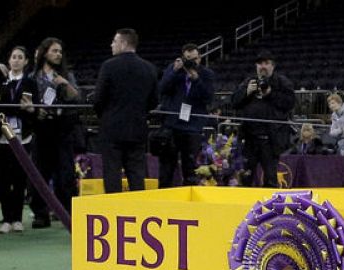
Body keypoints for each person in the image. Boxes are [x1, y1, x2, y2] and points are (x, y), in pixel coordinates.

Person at [93, 28, 158, 194]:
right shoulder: (149, 68)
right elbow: (154, 101)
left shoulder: (108, 66)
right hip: (137, 129)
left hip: (112, 130)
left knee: (112, 174)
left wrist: (106, 116)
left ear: (123, 43)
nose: (111, 44)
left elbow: (98, 99)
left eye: (114, 41)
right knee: (137, 174)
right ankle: (138, 212)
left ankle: (114, 213)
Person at [30, 37, 82, 227]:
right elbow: (26, 103)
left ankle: (68, 213)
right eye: (54, 51)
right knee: (39, 173)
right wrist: (37, 111)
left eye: (60, 51)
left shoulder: (67, 75)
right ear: (44, 53)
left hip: (63, 130)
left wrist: (64, 84)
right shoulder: (32, 77)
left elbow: (77, 98)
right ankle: (40, 214)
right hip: (41, 130)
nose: (58, 54)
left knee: (65, 175)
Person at [231, 50, 295, 187]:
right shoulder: (249, 81)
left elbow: (289, 103)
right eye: (260, 63)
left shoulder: (282, 82)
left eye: (266, 63)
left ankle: (269, 208)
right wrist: (246, 92)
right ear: (256, 66)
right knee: (245, 179)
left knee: (271, 180)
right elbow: (234, 102)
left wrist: (270, 93)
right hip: (249, 140)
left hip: (271, 141)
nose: (263, 66)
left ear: (273, 66)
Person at [158, 42, 215, 187]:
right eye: (188, 59)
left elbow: (209, 98)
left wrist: (197, 80)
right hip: (172, 125)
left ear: (200, 58)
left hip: (193, 127)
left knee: (190, 169)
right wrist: (174, 71)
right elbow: (161, 89)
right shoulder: (174, 70)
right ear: (182, 58)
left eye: (194, 59)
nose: (192, 62)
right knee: (167, 168)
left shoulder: (206, 74)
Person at [0, 45, 38, 233]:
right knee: (3, 179)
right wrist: (17, 107)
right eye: (13, 57)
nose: (16, 60)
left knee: (20, 178)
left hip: (23, 137)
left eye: (20, 57)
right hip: (2, 137)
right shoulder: (1, 82)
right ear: (9, 60)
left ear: (26, 61)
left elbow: (32, 109)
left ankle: (17, 218)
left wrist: (29, 109)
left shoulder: (30, 83)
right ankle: (6, 218)